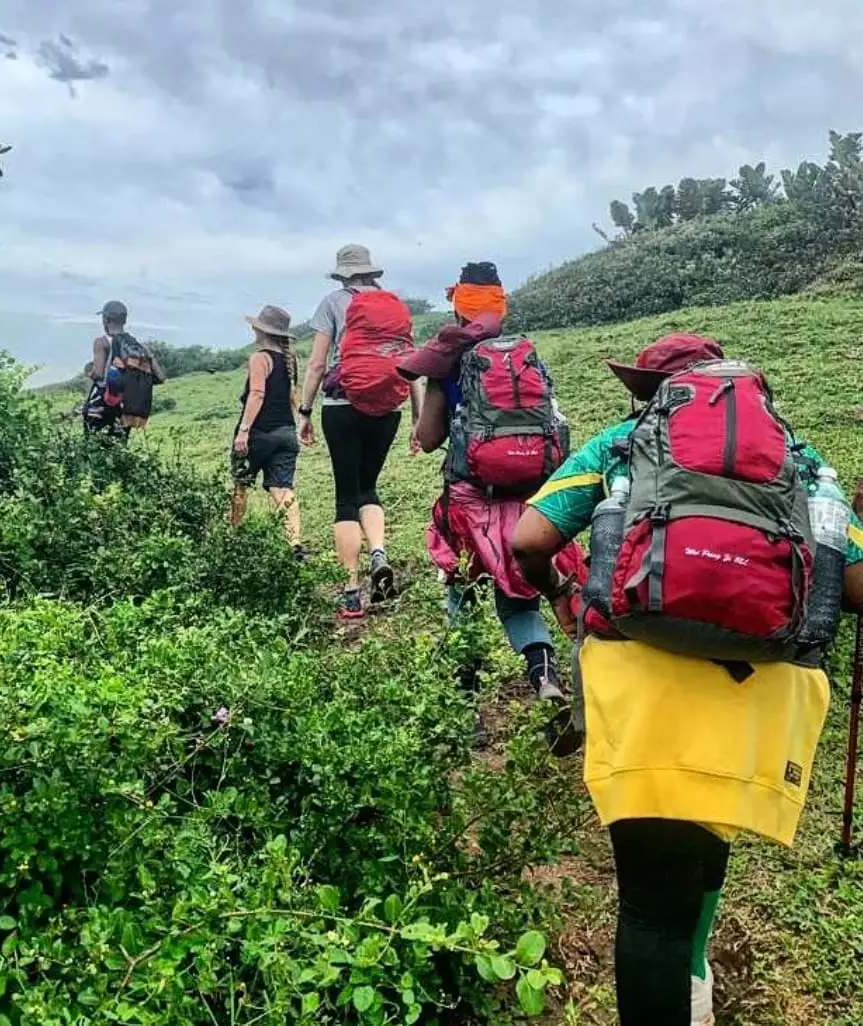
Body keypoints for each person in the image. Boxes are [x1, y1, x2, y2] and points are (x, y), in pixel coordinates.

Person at [510, 332, 863, 1026]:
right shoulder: (797, 457)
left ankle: (679, 983)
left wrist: (558, 593)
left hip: (644, 687)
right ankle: (694, 985)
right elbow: (854, 585)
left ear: (650, 391)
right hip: (758, 689)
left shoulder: (619, 443)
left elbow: (527, 539)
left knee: (650, 908)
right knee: (703, 843)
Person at [399, 261, 585, 751]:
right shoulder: (524, 356)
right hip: (528, 497)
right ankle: (545, 678)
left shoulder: (451, 361)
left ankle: (469, 713)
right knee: (520, 599)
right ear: (500, 304)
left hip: (469, 501)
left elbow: (431, 435)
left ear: (459, 305)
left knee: (461, 595)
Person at [298, 244, 423, 619]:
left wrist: (304, 411)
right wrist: (417, 418)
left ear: (343, 274)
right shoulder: (395, 305)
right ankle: (379, 552)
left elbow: (318, 364)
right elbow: (409, 363)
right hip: (389, 407)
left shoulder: (332, 302)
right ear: (372, 273)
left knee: (345, 497)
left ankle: (352, 591)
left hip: (341, 405)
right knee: (369, 486)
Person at [229, 304, 304, 559]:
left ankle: (234, 537)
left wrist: (243, 430)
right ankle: (294, 542)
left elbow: (257, 393)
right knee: (283, 488)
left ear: (260, 330)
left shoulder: (259, 357)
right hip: (286, 432)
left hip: (258, 433)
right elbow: (292, 396)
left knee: (240, 485)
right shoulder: (290, 359)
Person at [83, 300, 165, 439]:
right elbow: (160, 377)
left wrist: (88, 370)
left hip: (101, 406)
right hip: (125, 410)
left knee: (94, 450)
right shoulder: (138, 346)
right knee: (119, 447)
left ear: (106, 319)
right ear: (124, 321)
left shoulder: (101, 342)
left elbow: (98, 375)